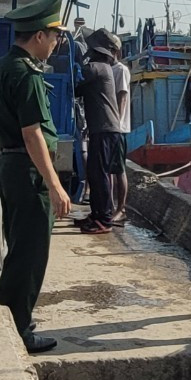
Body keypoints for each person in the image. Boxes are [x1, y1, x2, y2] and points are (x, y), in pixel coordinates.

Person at [0, 0, 71, 354]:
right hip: (28, 171)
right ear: (39, 35)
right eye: (54, 37)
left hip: (12, 166)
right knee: (30, 254)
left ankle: (6, 323)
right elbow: (32, 132)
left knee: (20, 250)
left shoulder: (5, 66)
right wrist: (54, 184)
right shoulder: (27, 74)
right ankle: (17, 329)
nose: (55, 44)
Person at [73, 29, 124, 233]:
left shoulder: (97, 68)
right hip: (102, 129)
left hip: (105, 129)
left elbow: (76, 80)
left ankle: (104, 219)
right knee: (95, 174)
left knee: (100, 174)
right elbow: (79, 90)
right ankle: (96, 215)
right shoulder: (102, 68)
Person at [111, 44, 131, 225]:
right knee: (109, 170)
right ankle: (111, 207)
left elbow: (122, 96)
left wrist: (116, 122)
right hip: (109, 127)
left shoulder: (121, 70)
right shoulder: (109, 69)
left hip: (118, 128)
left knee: (119, 169)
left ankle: (121, 209)